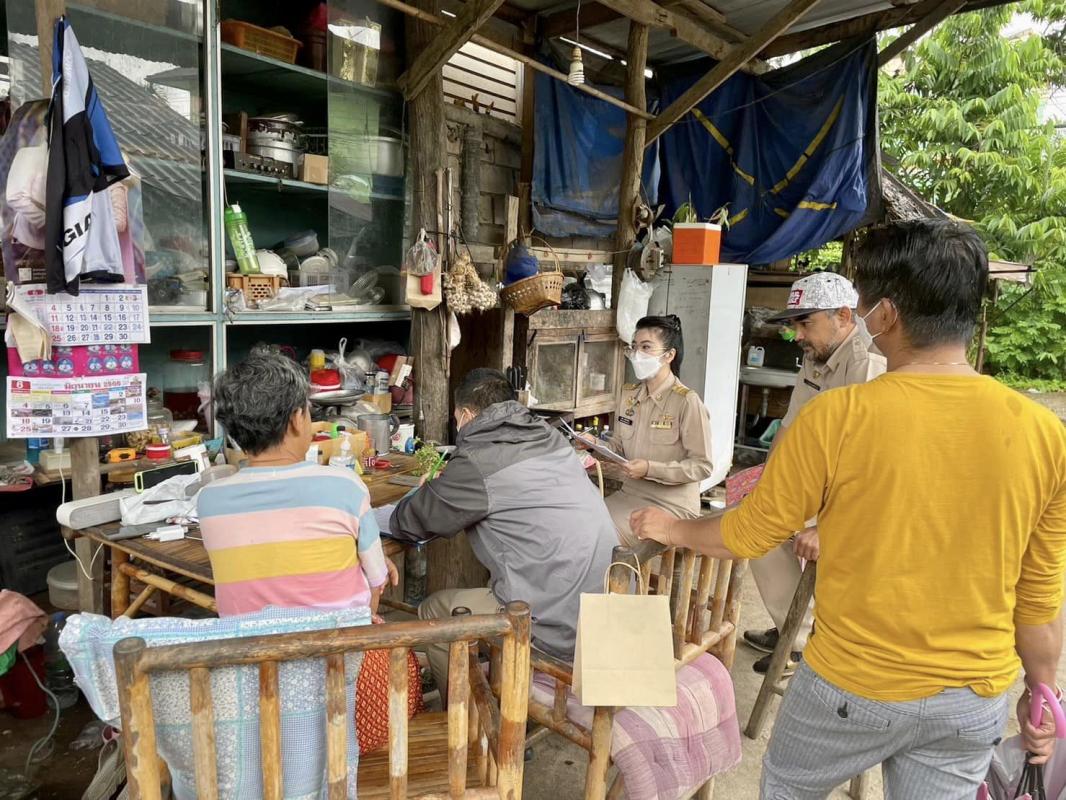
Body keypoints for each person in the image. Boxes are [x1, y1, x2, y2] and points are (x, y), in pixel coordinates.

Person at [631, 219, 1066, 799]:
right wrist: (1043, 691)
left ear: (883, 315)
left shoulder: (840, 417)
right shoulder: (1045, 434)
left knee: (787, 788)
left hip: (850, 685)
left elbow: (753, 533)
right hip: (972, 700)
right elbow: (1039, 595)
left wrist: (673, 527)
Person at [197, 352, 417, 754]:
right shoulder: (344, 485)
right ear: (299, 419)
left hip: (254, 669)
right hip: (339, 665)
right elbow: (376, 583)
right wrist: (367, 569)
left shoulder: (209, 501)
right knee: (387, 642)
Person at [389, 368, 617, 693]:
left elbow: (410, 522)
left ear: (467, 415)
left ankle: (466, 714)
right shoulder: (549, 437)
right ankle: (487, 673)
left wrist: (427, 492)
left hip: (556, 627)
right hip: (605, 610)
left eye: (456, 418)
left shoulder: (478, 461)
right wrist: (452, 485)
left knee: (435, 612)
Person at [743, 273, 886, 677]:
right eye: (795, 324)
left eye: (806, 323)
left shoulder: (868, 364)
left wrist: (825, 526)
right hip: (821, 481)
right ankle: (793, 628)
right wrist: (767, 485)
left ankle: (807, 643)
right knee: (756, 523)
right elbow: (790, 425)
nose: (798, 335)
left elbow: (871, 461)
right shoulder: (818, 352)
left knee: (797, 543)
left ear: (843, 316)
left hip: (862, 499)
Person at [597, 315, 713, 551]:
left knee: (601, 539)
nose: (637, 354)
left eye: (646, 347)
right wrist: (593, 446)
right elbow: (617, 446)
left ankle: (616, 575)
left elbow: (702, 466)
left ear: (669, 355)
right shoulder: (629, 395)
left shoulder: (686, 402)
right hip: (628, 494)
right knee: (579, 522)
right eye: (634, 347)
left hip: (671, 506)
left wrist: (650, 469)